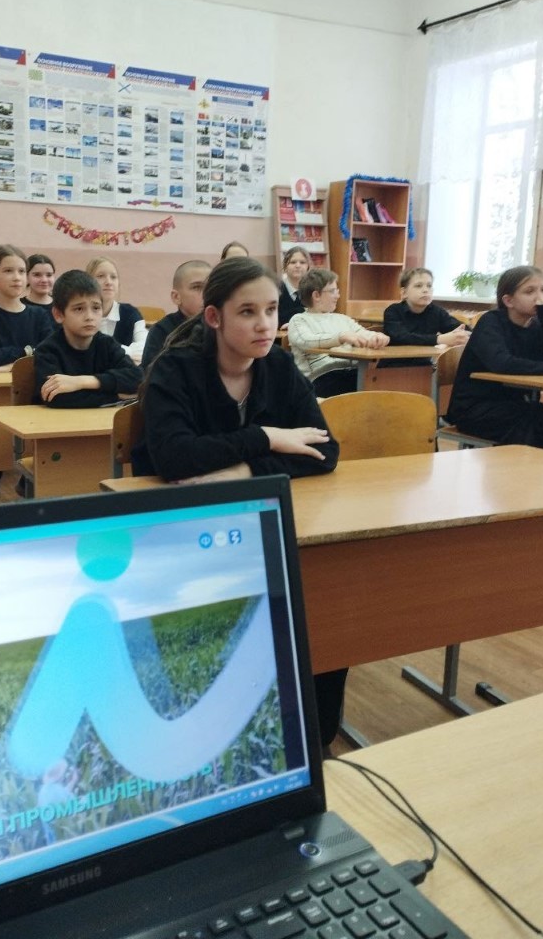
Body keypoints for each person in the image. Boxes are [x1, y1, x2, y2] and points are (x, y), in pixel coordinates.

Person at [134, 256, 343, 749]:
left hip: (259, 523)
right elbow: (175, 458)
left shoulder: (279, 366)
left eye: (271, 309)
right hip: (183, 531)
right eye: (247, 312)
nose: (264, 324)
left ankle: (311, 738)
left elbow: (325, 450)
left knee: (328, 602)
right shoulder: (176, 369)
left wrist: (245, 468)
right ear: (214, 317)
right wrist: (267, 437)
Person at [446, 266, 543, 447]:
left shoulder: (537, 326)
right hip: (475, 409)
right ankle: (522, 465)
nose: (539, 297)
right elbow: (502, 363)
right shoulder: (491, 322)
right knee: (538, 426)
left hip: (517, 405)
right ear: (508, 300)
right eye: (530, 291)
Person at [35, 270, 143, 408]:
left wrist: (82, 382)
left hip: (102, 420)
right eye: (79, 309)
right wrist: (117, 395)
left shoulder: (107, 344)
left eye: (96, 308)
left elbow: (137, 378)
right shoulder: (47, 350)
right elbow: (56, 397)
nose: (90, 317)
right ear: (58, 314)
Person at [288, 269, 389, 397]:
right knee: (369, 388)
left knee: (383, 382)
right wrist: (341, 337)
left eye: (337, 291)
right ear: (316, 295)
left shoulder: (342, 318)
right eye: (332, 291)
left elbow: (361, 333)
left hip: (353, 372)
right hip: (322, 377)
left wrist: (376, 337)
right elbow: (306, 341)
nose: (337, 296)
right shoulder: (299, 320)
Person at [0, 245, 54, 370]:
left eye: (21, 271)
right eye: (8, 271)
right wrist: (27, 351)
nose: (17, 278)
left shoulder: (39, 315)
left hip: (28, 381)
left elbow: (49, 356)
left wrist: (9, 367)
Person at [140, 259, 211, 369]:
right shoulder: (162, 330)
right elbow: (150, 372)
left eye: (210, 286)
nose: (206, 293)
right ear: (176, 297)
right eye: (197, 287)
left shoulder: (220, 327)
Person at [384, 268, 470, 347]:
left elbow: (458, 328)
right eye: (418, 286)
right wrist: (439, 339)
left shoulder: (437, 311)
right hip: (397, 358)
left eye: (429, 286)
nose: (425, 290)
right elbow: (401, 337)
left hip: (427, 359)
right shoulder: (393, 311)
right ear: (404, 292)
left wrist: (463, 334)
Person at [85, 256, 147, 364]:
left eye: (113, 277)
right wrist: (128, 352)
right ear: (88, 281)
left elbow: (145, 348)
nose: (108, 282)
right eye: (101, 276)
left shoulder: (130, 313)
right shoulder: (83, 315)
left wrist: (110, 351)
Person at [277, 245, 310, 328]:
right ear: (285, 267)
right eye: (293, 262)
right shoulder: (276, 290)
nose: (298, 265)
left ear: (308, 267)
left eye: (302, 262)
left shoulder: (313, 291)